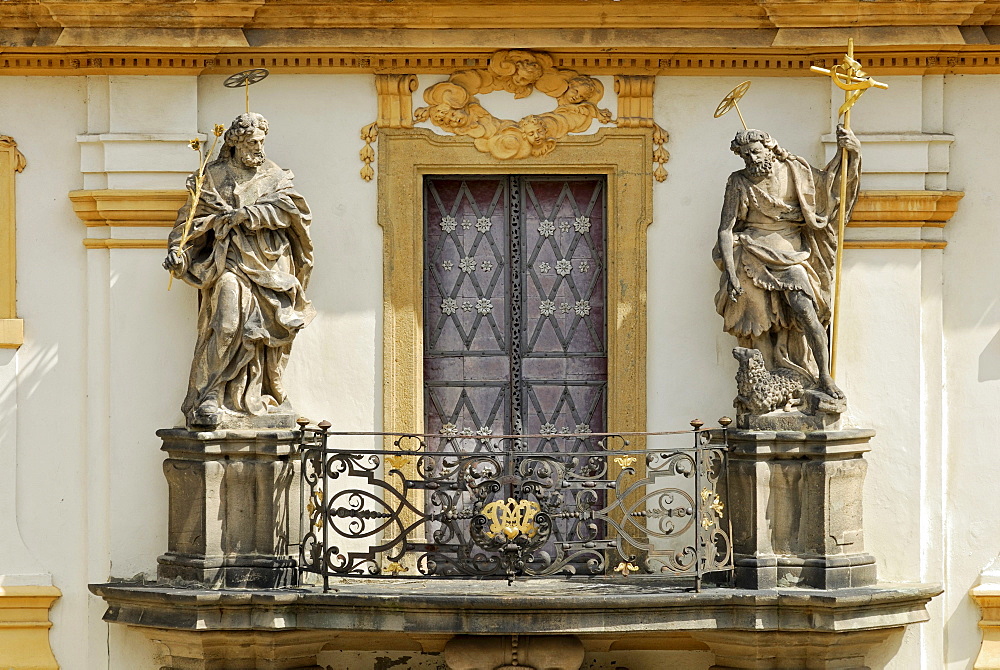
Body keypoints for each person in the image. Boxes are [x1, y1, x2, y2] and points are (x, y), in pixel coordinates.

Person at [163, 112, 315, 428]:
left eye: (262, 141)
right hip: (228, 262)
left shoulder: (274, 174)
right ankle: (210, 395)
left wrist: (248, 215)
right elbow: (189, 222)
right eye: (252, 141)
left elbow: (292, 212)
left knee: (259, 335)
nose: (259, 147)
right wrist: (179, 255)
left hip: (269, 264)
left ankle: (258, 394)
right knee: (227, 322)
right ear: (235, 143)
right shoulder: (212, 178)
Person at [713, 125, 861, 400]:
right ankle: (764, 381)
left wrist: (848, 154)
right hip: (751, 252)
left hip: (791, 255)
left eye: (756, 152)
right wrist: (732, 276)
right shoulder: (738, 181)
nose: (753, 160)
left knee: (807, 314)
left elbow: (828, 187)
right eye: (746, 156)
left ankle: (824, 377)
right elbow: (726, 229)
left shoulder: (796, 170)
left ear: (770, 148)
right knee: (754, 322)